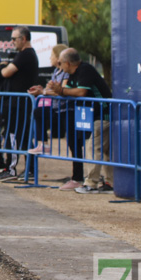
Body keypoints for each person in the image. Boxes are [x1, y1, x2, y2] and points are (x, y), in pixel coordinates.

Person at [56, 48, 113, 194]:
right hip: (93, 115)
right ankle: (110, 182)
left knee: (93, 148)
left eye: (60, 62)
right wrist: (44, 91)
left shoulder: (85, 70)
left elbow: (80, 92)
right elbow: (65, 91)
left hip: (102, 114)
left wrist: (60, 91)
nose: (58, 65)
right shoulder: (73, 73)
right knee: (105, 150)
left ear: (68, 63)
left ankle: (91, 183)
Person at [0, 26, 39, 179]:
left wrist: (1, 69)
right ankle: (30, 170)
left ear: (24, 39)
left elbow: (6, 72)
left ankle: (11, 169)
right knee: (23, 137)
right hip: (19, 103)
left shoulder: (25, 55)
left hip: (18, 104)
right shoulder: (26, 55)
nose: (12, 42)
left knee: (13, 136)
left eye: (14, 39)